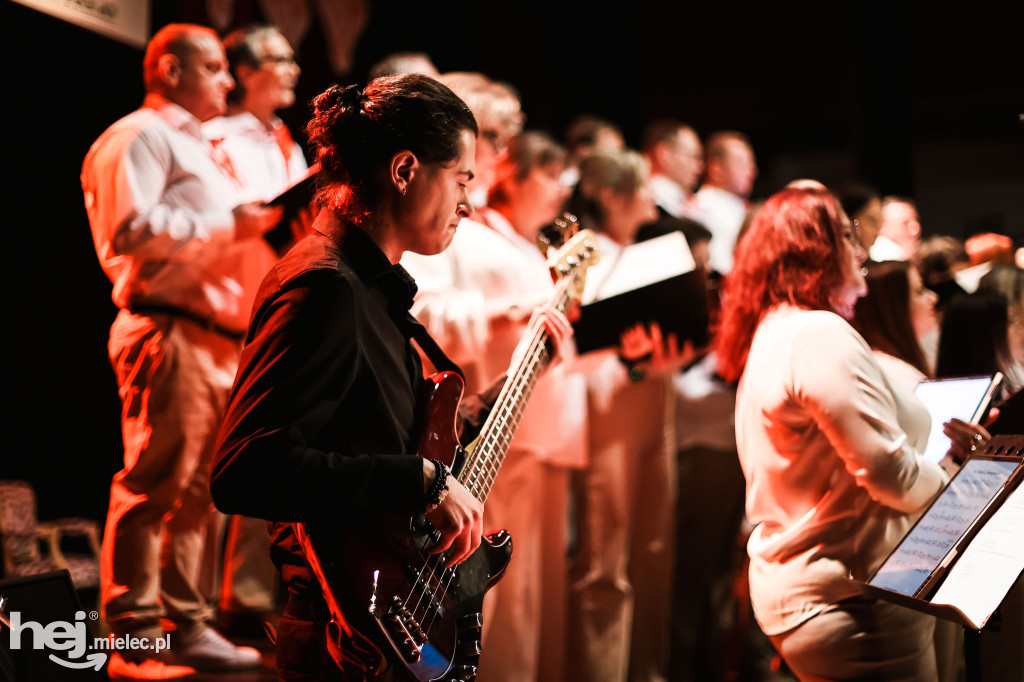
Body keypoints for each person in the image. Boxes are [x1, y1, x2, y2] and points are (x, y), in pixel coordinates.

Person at [210, 74, 572, 681]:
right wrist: (424, 482)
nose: (468, 204)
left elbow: (391, 430)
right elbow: (245, 468)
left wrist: (517, 376)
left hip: (383, 624)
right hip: (343, 642)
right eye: (460, 179)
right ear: (404, 170)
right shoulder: (325, 287)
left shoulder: (369, 286)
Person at [714, 187, 989, 680]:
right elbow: (892, 477)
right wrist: (957, 481)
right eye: (847, 235)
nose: (861, 251)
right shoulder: (815, 333)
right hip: (852, 595)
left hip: (822, 587)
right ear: (812, 250)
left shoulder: (778, 329)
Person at [81, 23, 283, 678]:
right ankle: (134, 637)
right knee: (154, 481)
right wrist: (233, 223)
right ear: (170, 69)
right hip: (166, 325)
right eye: (216, 67)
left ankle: (182, 624)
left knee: (197, 491)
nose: (229, 81)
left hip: (217, 334)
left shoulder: (197, 143)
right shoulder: (137, 135)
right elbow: (129, 231)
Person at [402, 130, 582, 682]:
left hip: (533, 422)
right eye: (498, 136)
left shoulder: (518, 240)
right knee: (486, 598)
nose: (498, 154)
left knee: (532, 594)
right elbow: (420, 310)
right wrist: (510, 312)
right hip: (482, 430)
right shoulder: (455, 233)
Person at [203, 22, 310, 632]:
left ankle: (247, 596)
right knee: (213, 467)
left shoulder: (287, 142)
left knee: (267, 453)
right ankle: (186, 613)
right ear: (242, 72)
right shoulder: (215, 138)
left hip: (278, 313)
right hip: (229, 309)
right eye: (278, 58)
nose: (293, 67)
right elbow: (236, 219)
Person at [566, 149, 683, 682]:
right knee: (606, 562)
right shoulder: (582, 255)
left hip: (655, 405)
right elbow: (580, 344)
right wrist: (629, 356)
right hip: (606, 410)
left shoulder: (648, 253)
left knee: (655, 551)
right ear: (610, 197)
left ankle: (647, 670)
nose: (652, 202)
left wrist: (677, 346)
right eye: (641, 190)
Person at [853, 260, 938, 384]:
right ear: (893, 309)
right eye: (919, 291)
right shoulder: (895, 373)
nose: (933, 297)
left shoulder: (892, 365)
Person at [692, 131, 758, 275]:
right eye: (742, 163)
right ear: (716, 168)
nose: (752, 171)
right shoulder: (704, 207)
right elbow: (721, 269)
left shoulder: (734, 206)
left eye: (751, 163)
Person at [642, 119, 704, 219]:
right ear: (665, 154)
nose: (699, 168)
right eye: (692, 156)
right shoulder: (653, 200)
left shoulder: (683, 202)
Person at [872, 195, 921, 261]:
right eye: (905, 223)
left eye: (916, 220)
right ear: (882, 226)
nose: (916, 230)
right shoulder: (885, 257)